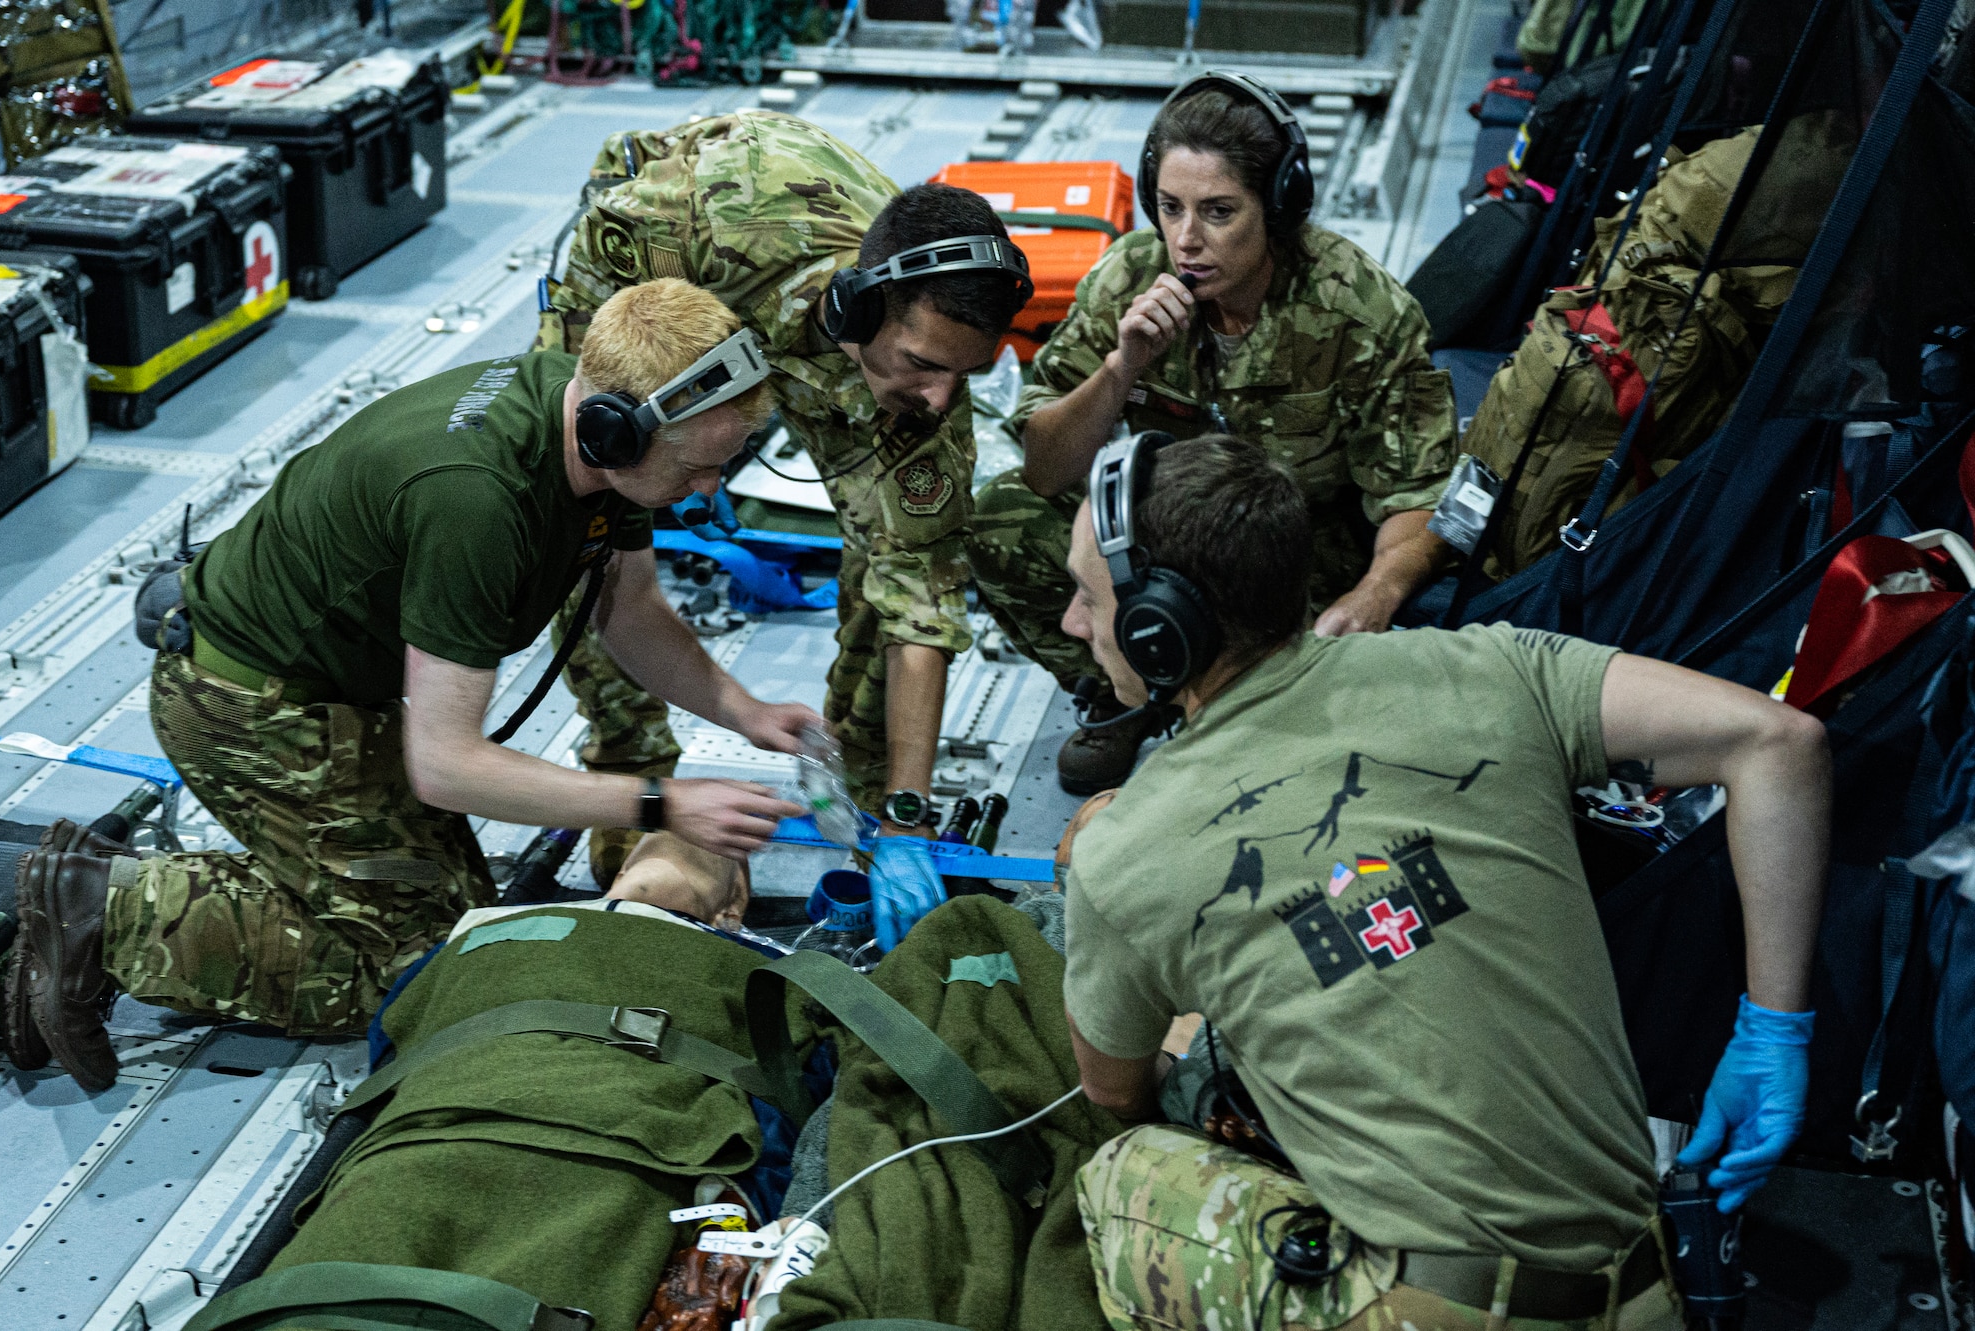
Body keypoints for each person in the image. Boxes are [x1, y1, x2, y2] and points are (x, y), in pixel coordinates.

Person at [1057, 434, 1830, 1330]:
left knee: (1121, 1179)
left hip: (1443, 1314)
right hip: (1647, 1279)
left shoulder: (1127, 850)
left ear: (1161, 626)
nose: (1076, 622)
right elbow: (1780, 742)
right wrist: (1776, 1034)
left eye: (1087, 595)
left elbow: (1114, 1091)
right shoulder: (1495, 669)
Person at [9, 279, 826, 1093]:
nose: (713, 488)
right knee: (420, 975)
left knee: (466, 920)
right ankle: (109, 907)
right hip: (245, 704)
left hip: (337, 693)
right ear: (614, 433)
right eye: (699, 467)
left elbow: (632, 612)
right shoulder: (475, 498)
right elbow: (448, 764)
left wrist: (743, 711)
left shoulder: (590, 426)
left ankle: (134, 905)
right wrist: (662, 804)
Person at [536, 111, 1034, 900]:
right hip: (689, 273)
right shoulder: (699, 221)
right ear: (861, 311)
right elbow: (581, 408)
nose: (941, 398)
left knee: (891, 559)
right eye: (924, 364)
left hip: (821, 349)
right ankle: (628, 760)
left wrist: (907, 811)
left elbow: (921, 600)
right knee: (588, 507)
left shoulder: (934, 377)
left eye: (962, 375)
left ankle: (864, 787)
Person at [968, 71, 1459, 794]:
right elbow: (1045, 468)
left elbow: (1420, 496)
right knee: (998, 520)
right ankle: (1128, 688)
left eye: (1219, 211)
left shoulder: (1358, 311)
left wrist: (1378, 593)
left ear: (1279, 206)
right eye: (1169, 208)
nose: (1186, 240)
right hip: (1169, 535)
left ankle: (1238, 708)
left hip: (1298, 556)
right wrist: (1122, 366)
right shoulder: (1127, 281)